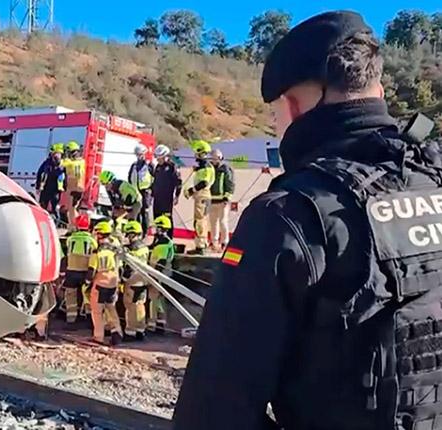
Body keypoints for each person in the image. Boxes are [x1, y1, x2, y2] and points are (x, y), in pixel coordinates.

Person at [173, 11, 442, 430]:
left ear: (294, 107)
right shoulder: (436, 177)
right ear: (379, 90)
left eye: (275, 116)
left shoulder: (286, 215)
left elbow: (212, 412)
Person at [86, 220, 123, 346]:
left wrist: (87, 282)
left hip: (100, 283)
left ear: (100, 235)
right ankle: (117, 332)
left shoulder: (97, 252)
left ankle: (98, 337)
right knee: (111, 308)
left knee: (97, 311)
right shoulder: (115, 250)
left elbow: (91, 271)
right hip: (113, 283)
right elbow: (121, 268)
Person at [63, 213, 97, 326]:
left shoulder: (71, 239)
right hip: (85, 272)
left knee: (70, 295)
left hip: (71, 271)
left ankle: (71, 319)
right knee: (87, 295)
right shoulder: (92, 241)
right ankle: (89, 320)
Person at [183, 140, 215, 255]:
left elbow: (204, 183)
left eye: (196, 153)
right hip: (202, 196)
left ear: (201, 153)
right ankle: (201, 244)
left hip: (202, 196)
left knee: (200, 221)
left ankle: (201, 246)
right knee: (201, 220)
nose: (195, 155)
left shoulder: (206, 166)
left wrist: (192, 190)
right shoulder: (204, 167)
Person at [121, 220, 150, 341]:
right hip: (143, 280)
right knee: (140, 306)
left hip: (132, 281)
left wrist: (123, 279)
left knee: (130, 307)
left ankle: (130, 332)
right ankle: (140, 330)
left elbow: (129, 268)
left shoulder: (131, 250)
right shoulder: (145, 248)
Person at [147, 215, 174, 334]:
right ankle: (160, 323)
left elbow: (161, 262)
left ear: (161, 228)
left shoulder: (164, 243)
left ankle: (154, 324)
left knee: (154, 299)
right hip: (162, 274)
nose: (155, 230)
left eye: (157, 228)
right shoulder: (161, 241)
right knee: (158, 299)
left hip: (159, 274)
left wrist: (154, 276)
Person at [151, 144, 183, 238]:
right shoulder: (157, 167)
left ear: (165, 156)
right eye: (157, 158)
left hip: (167, 198)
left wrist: (177, 196)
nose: (158, 160)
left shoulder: (173, 167)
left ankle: (169, 238)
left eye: (160, 158)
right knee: (157, 218)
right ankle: (157, 238)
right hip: (157, 198)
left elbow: (179, 182)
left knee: (167, 218)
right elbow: (155, 181)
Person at [208, 148, 234, 251]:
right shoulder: (210, 169)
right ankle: (214, 242)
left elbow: (230, 184)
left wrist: (227, 197)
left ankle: (225, 242)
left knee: (223, 222)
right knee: (213, 222)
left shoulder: (225, 169)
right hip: (211, 200)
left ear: (220, 158)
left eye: (216, 158)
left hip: (222, 201)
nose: (214, 160)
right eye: (213, 158)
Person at [128, 145, 154, 235]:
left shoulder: (149, 165)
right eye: (137, 154)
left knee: (145, 212)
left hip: (146, 191)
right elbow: (130, 177)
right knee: (137, 212)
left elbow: (154, 177)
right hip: (136, 192)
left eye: (141, 154)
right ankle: (137, 231)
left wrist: (151, 189)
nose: (139, 156)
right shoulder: (134, 165)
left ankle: (145, 232)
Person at [35, 143, 66, 220]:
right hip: (46, 187)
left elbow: (66, 177)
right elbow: (39, 173)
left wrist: (65, 186)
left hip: (56, 189)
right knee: (42, 206)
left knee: (54, 208)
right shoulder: (47, 162)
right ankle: (41, 220)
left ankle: (56, 223)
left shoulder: (63, 164)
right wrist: (38, 186)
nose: (56, 156)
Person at [62, 141, 86, 229]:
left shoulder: (70, 163)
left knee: (72, 210)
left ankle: (74, 227)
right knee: (72, 209)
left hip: (73, 189)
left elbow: (61, 163)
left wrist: (64, 156)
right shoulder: (82, 162)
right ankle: (73, 226)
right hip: (79, 188)